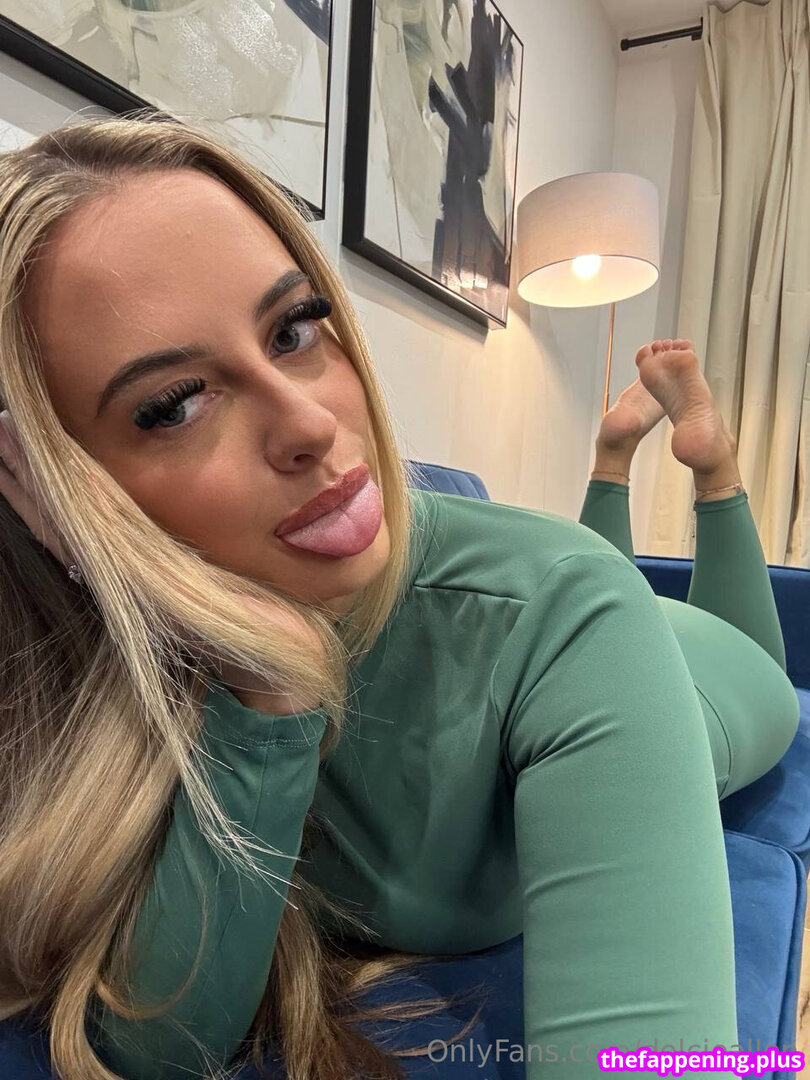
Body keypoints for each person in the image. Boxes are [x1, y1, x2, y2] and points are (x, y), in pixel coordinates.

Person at [0, 110, 799, 1080]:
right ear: (48, 484)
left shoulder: (559, 609)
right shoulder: (84, 677)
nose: (310, 423)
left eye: (295, 329)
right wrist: (271, 686)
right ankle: (616, 461)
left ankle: (709, 470)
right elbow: (157, 1042)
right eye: (174, 404)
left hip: (703, 675)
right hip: (568, 617)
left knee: (728, 654)